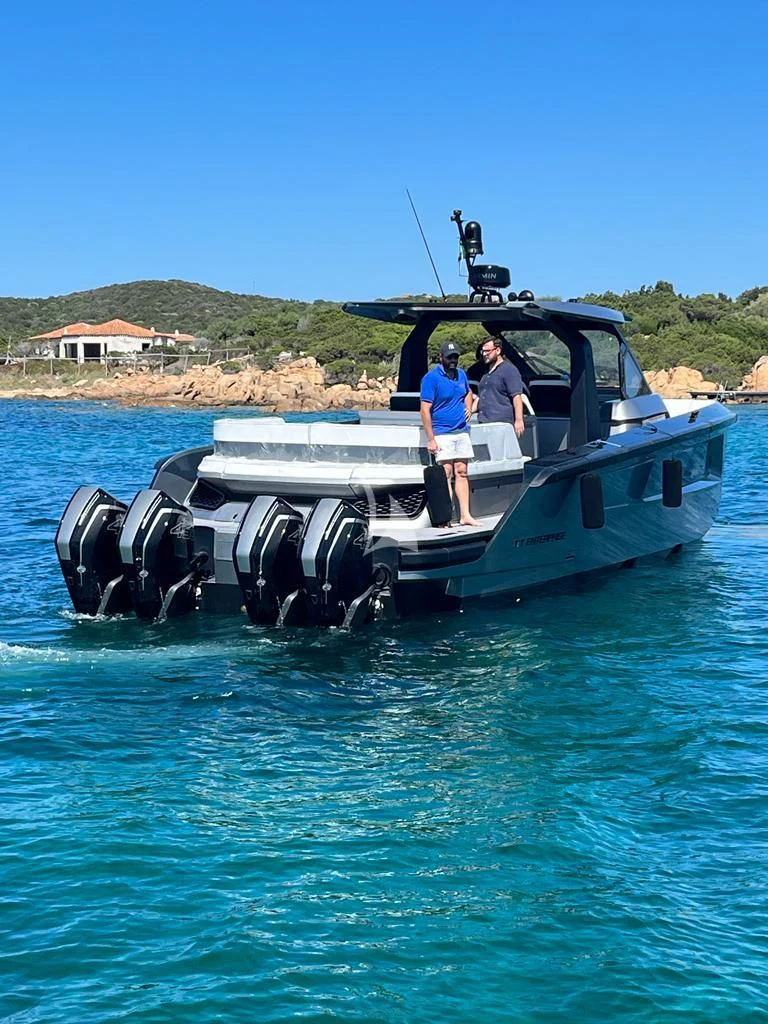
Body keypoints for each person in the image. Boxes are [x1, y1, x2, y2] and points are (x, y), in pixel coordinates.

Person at [420, 340, 481, 527]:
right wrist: (431, 438)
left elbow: (468, 392)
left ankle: (465, 515)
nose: (453, 360)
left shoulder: (461, 374)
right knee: (446, 472)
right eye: (449, 357)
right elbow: (424, 409)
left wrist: (469, 407)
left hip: (461, 430)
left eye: (455, 357)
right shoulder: (431, 378)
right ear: (441, 357)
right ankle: (446, 517)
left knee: (462, 470)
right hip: (442, 431)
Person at [475, 336, 526, 438]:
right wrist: (469, 411)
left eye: (488, 351)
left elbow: (517, 397)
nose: (484, 354)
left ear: (498, 350)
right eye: (483, 351)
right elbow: (481, 396)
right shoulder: (486, 374)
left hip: (502, 425)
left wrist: (519, 420)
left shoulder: (509, 370)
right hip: (484, 423)